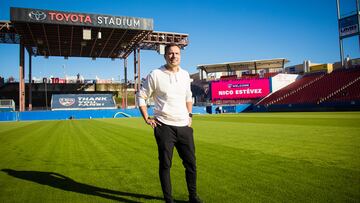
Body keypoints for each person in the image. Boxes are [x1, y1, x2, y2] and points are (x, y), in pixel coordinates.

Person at [137, 43, 203, 203]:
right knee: (166, 165)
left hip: (184, 127)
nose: (174, 56)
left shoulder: (185, 75)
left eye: (177, 53)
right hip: (164, 127)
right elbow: (141, 96)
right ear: (165, 55)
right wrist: (146, 118)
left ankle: (193, 197)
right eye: (170, 53)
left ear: (180, 55)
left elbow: (188, 96)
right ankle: (169, 200)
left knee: (191, 165)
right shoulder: (155, 74)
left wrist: (190, 116)